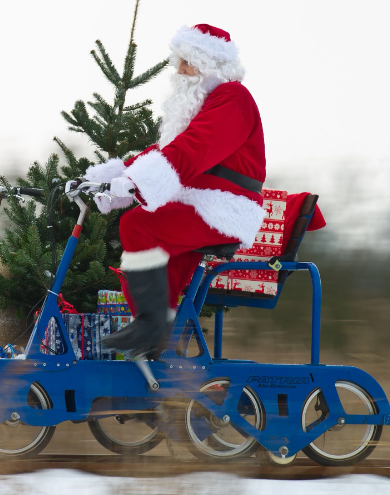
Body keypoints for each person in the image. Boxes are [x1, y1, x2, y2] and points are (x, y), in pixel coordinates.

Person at [85, 24, 266, 356]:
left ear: (208, 64)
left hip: (224, 207)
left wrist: (139, 182)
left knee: (138, 225)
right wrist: (116, 175)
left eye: (186, 61)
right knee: (153, 262)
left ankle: (151, 327)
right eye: (178, 60)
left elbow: (195, 148)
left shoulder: (233, 98)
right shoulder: (202, 102)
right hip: (197, 202)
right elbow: (167, 149)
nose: (178, 70)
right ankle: (159, 348)